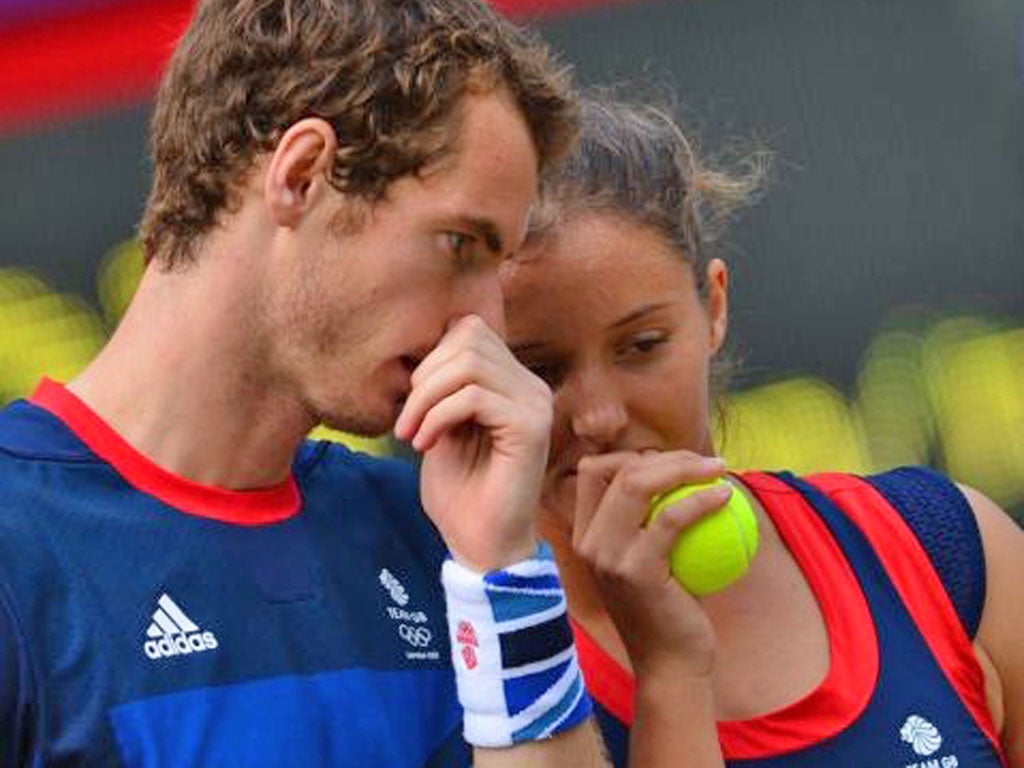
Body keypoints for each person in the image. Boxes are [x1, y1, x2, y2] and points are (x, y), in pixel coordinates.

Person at [0, 1, 611, 765]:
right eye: (460, 245)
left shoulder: (441, 536)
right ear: (301, 176)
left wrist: (504, 567)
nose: (485, 322)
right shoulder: (18, 545)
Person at [500, 99, 1024, 767]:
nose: (598, 416)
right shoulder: (481, 670)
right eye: (539, 368)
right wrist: (668, 673)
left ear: (713, 307)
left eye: (642, 346)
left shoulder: (942, 549)